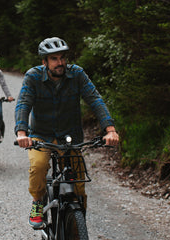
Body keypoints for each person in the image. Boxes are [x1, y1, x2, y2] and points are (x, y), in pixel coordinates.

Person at [14, 37, 120, 229]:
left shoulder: (77, 74)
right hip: (41, 135)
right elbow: (23, 103)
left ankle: (78, 227)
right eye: (53, 59)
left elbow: (95, 99)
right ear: (44, 62)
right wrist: (22, 133)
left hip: (70, 137)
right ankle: (38, 202)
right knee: (38, 166)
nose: (60, 62)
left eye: (62, 57)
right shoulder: (33, 77)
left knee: (79, 187)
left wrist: (110, 130)